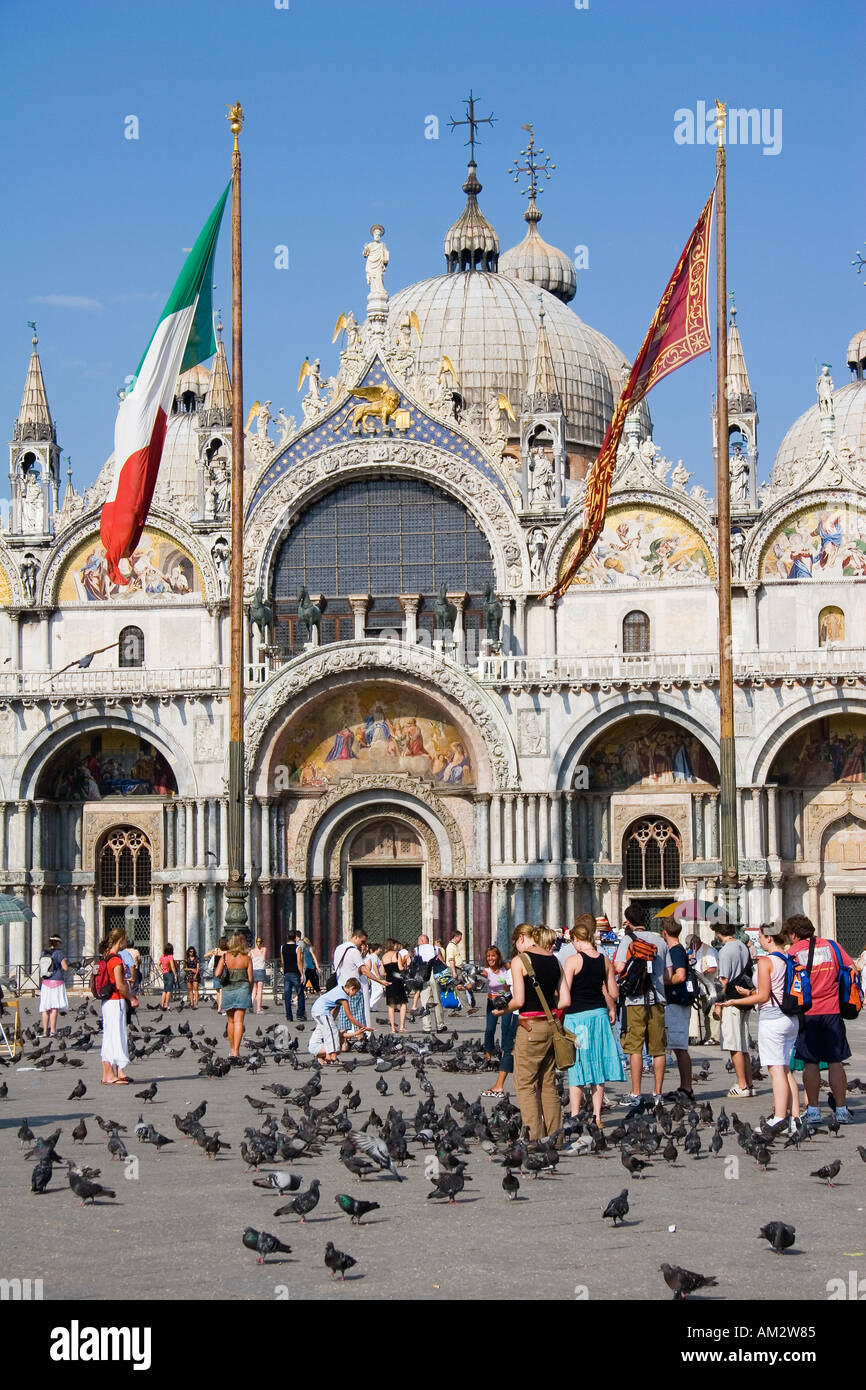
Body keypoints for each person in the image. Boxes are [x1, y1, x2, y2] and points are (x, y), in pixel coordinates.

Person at [718, 923, 801, 1133]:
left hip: (773, 1018)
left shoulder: (767, 961)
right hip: (790, 1018)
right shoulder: (789, 958)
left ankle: (780, 1118)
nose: (760, 941)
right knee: (785, 1069)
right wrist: (748, 994)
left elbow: (764, 996)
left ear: (769, 938)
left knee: (775, 1070)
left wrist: (734, 1002)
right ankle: (795, 1118)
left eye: (761, 938)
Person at [494, 924, 563, 1140]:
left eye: (515, 942)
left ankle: (534, 1138)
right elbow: (563, 999)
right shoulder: (554, 959)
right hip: (551, 1025)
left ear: (522, 938)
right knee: (548, 1084)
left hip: (530, 1026)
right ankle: (556, 1137)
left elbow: (519, 1000)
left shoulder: (520, 960)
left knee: (525, 1084)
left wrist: (500, 1011)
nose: (515, 947)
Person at [785, 914, 856, 1124]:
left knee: (811, 1062)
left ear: (794, 934)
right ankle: (842, 1109)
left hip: (808, 1014)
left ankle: (814, 1111)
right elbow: (852, 969)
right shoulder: (833, 947)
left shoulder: (794, 952)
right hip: (833, 1011)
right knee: (836, 1061)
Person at [561, 916, 624, 1122]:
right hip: (599, 1016)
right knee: (597, 1065)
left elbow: (566, 993)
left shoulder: (573, 961)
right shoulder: (604, 960)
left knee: (577, 1065)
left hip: (578, 1019)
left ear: (576, 940)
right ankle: (597, 1115)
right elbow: (613, 992)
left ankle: (576, 1114)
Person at [614, 904, 672, 1104]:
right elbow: (669, 974)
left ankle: (636, 1093)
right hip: (657, 1001)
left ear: (628, 921)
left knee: (635, 1048)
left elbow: (619, 967)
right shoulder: (660, 941)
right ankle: (658, 1093)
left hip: (634, 1001)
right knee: (658, 1049)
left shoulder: (627, 940)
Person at [713, 920, 755, 1098]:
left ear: (718, 933)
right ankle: (749, 1082)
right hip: (745, 998)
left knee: (733, 1043)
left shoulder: (725, 951)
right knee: (744, 1043)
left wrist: (717, 1005)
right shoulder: (742, 946)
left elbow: (723, 980)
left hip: (731, 1000)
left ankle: (741, 1084)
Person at [661, 921, 694, 1101]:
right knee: (677, 1047)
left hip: (676, 1002)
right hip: (676, 1002)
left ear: (664, 932)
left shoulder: (675, 951)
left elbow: (680, 975)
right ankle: (684, 1086)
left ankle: (686, 1088)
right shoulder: (677, 950)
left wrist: (662, 981)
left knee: (680, 1047)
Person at [101, 927, 137, 1085]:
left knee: (111, 1036)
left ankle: (114, 1073)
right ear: (120, 940)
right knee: (114, 1036)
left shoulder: (106, 957)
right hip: (115, 1001)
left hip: (107, 1002)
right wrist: (131, 998)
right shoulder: (115, 960)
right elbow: (120, 985)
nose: (126, 942)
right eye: (125, 939)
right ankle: (108, 1075)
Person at [308, 977, 364, 1063]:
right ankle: (332, 1057)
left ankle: (327, 1056)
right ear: (352, 988)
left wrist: (332, 1019)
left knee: (329, 1032)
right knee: (332, 1033)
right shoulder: (343, 997)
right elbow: (350, 1017)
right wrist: (362, 1027)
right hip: (322, 1011)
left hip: (317, 1010)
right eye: (355, 992)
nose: (354, 994)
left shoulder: (339, 989)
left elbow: (335, 1008)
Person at [333, 930, 378, 1037]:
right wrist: (380, 981)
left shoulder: (338, 948)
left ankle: (343, 1043)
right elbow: (364, 970)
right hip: (354, 987)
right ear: (356, 937)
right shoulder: (354, 951)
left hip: (341, 986)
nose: (363, 944)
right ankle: (361, 1040)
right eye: (362, 941)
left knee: (344, 1016)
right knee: (358, 1015)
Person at [219, 933, 253, 1059]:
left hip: (228, 989)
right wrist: (251, 991)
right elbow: (250, 978)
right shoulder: (247, 958)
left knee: (230, 1021)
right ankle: (236, 1052)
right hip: (242, 990)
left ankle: (231, 1048)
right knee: (239, 1021)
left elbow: (217, 973)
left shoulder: (225, 956)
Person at [687, 933, 719, 1043]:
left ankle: (714, 1037)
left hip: (710, 985)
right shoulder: (693, 952)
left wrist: (704, 972)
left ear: (695, 943)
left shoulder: (709, 951)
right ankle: (708, 1036)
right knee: (705, 1012)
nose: (690, 948)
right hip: (700, 986)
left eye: (691, 946)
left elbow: (713, 968)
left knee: (711, 1011)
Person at [414, 934, 446, 1034]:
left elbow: (414, 963)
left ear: (422, 941)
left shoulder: (416, 949)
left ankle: (427, 1027)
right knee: (437, 1000)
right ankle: (440, 1026)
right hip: (435, 974)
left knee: (424, 1001)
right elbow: (442, 962)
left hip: (423, 975)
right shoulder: (435, 948)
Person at [39, 935, 68, 1037]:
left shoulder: (43, 953)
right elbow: (65, 967)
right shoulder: (58, 953)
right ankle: (53, 1031)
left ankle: (44, 1031)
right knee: (54, 1007)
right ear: (58, 943)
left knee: (45, 1007)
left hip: (46, 982)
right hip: (56, 981)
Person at [382, 939, 409, 1034]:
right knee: (403, 1003)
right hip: (397, 980)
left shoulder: (384, 957)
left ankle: (393, 1028)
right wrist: (405, 962)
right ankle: (402, 1026)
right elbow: (400, 968)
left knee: (391, 1005)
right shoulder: (397, 954)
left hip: (389, 980)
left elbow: (382, 972)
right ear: (393, 945)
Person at [280, 931, 306, 1022]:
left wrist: (284, 969)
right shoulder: (297, 947)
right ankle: (300, 1014)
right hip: (295, 973)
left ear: (287, 937)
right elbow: (299, 961)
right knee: (300, 993)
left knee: (287, 995)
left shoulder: (283, 947)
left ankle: (289, 1016)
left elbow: (282, 961)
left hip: (287, 973)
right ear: (295, 938)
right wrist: (302, 973)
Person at [205, 936, 229, 1014]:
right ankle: (220, 1007)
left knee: (218, 990)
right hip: (223, 971)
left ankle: (219, 1006)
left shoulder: (217, 950)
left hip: (216, 970)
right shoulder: (227, 952)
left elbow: (205, 955)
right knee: (221, 990)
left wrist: (212, 953)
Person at [365, 942, 386, 1026]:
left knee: (374, 991)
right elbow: (375, 966)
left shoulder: (371, 956)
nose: (380, 950)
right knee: (380, 990)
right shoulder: (374, 956)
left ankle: (374, 1007)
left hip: (371, 976)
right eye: (379, 948)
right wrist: (378, 976)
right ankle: (371, 1004)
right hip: (374, 976)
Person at [250, 937, 268, 1015]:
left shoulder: (252, 951)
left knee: (254, 989)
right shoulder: (264, 949)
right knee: (260, 989)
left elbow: (248, 958)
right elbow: (264, 958)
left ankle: (250, 1005)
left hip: (254, 970)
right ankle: (258, 1008)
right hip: (260, 970)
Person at [159, 943, 178, 1010]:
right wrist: (175, 975)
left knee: (165, 990)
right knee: (169, 990)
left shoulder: (162, 956)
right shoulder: (170, 957)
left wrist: (162, 971)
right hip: (170, 974)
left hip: (165, 974)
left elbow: (158, 965)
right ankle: (166, 1004)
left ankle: (162, 1004)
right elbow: (172, 966)